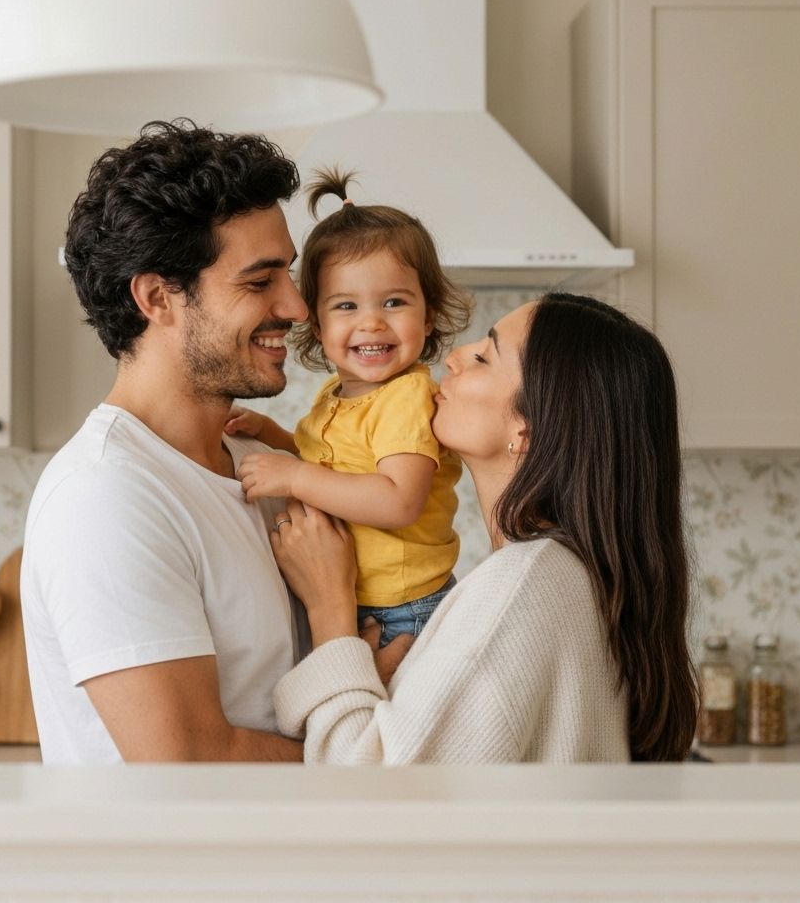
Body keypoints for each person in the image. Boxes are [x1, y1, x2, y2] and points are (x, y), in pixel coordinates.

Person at [269, 292, 699, 763]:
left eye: (483, 356)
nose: (452, 357)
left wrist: (330, 609)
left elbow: (371, 800)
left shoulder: (522, 585)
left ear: (527, 429)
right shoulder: (565, 578)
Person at [21, 119, 310, 764]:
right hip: (172, 868)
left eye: (288, 275)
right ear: (158, 298)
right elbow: (185, 759)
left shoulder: (262, 469)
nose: (296, 307)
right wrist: (366, 755)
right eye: (260, 281)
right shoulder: (104, 496)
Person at [226, 170, 472, 646]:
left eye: (395, 301)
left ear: (431, 314)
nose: (372, 322)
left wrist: (294, 478)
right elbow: (331, 457)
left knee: (375, 720)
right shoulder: (338, 394)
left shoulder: (406, 398)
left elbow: (398, 500)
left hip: (405, 608)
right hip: (361, 598)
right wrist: (272, 434)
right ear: (315, 323)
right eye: (345, 307)